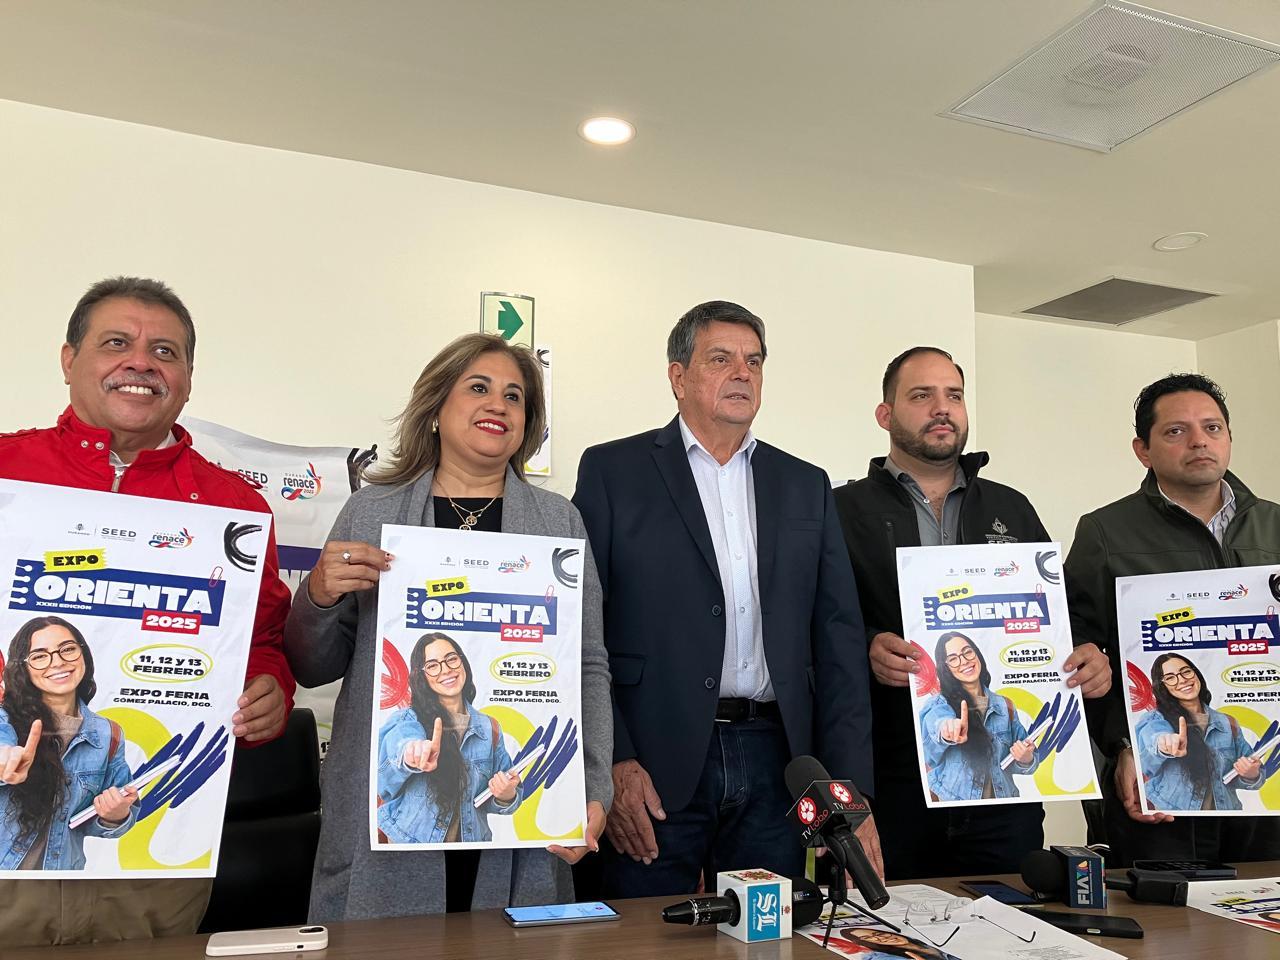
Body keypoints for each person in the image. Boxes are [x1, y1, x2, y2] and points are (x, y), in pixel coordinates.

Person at [0, 277, 295, 944]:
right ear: (69, 359)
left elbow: (264, 640)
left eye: (165, 351)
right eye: (116, 343)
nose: (141, 362)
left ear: (187, 379)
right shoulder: (7, 469)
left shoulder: (234, 508)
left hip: (149, 863)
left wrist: (270, 687)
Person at [285, 332, 612, 921]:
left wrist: (593, 786)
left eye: (514, 396)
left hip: (510, 821)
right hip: (390, 819)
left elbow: (587, 665)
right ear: (436, 408)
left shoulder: (558, 521)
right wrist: (319, 594)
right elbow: (312, 665)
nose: (498, 405)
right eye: (478, 388)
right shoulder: (371, 511)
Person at [573, 300, 879, 899]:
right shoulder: (613, 471)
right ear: (678, 376)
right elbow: (585, 630)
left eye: (754, 361)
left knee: (769, 931)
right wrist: (613, 760)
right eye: (721, 359)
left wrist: (849, 790)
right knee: (644, 934)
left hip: (778, 761)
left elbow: (838, 639)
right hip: (653, 761)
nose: (742, 372)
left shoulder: (805, 483)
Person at [834, 346, 1110, 878]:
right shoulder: (842, 510)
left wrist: (1089, 654)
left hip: (1004, 785)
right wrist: (867, 645)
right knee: (894, 921)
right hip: (892, 777)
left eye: (954, 395)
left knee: (1012, 916)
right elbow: (815, 624)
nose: (942, 408)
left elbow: (1060, 615)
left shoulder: (1011, 507)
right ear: (885, 415)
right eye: (922, 395)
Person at [1065, 372, 1280, 864]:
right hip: (1157, 780)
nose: (1199, 441)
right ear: (1143, 450)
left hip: (1264, 775)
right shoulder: (1105, 532)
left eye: (1212, 427)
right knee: (1162, 910)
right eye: (1176, 431)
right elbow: (1079, 657)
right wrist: (1122, 747)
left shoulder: (1275, 524)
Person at [0, 617, 138, 870]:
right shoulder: (3, 718)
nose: (58, 662)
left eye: (67, 649)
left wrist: (116, 816)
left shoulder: (108, 734)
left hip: (59, 884)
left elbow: (95, 823)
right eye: (40, 656)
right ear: (22, 667)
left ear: (83, 653)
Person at [376, 633, 523, 843]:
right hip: (410, 845)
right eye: (432, 665)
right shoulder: (407, 720)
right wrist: (411, 754)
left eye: (451, 659)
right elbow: (386, 773)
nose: (445, 670)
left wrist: (506, 795)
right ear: (421, 676)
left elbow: (491, 800)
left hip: (470, 848)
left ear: (462, 662)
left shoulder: (489, 728)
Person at [1135, 654, 1264, 812]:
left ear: (1196, 673)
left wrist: (1251, 774)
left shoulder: (1227, 723)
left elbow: (1245, 776)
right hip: (1175, 817)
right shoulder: (1155, 720)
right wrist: (1164, 744)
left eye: (1186, 671)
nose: (1182, 680)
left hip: (1225, 817)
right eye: (1170, 678)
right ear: (1162, 686)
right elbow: (1148, 754)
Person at [919, 632, 1038, 802]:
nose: (964, 661)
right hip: (955, 807)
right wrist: (947, 730)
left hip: (1004, 803)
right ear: (945, 668)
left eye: (967, 652)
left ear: (976, 653)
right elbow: (933, 734)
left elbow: (1019, 763)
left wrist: (1026, 758)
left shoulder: (1005, 705)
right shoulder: (938, 704)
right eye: (953, 659)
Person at [833, 926, 951, 960]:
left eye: (878, 934)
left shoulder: (927, 943)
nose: (881, 939)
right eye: (869, 938)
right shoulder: (883, 957)